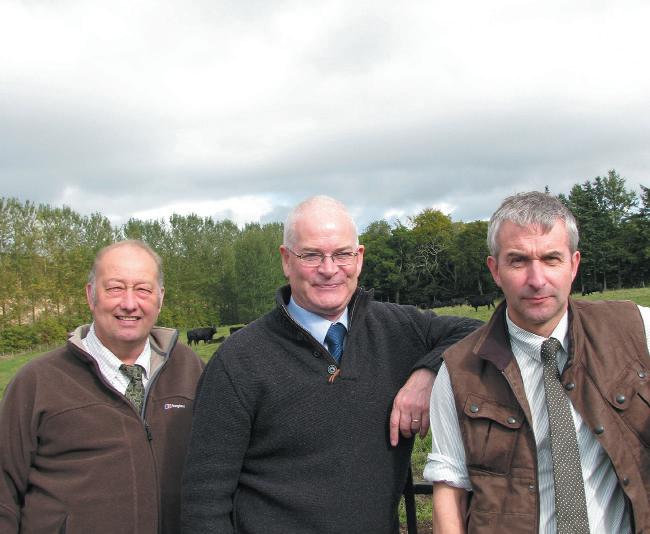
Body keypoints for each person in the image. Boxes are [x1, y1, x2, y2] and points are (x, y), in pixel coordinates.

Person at [181, 195, 482, 534]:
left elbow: (480, 332)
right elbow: (204, 500)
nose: (329, 269)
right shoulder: (237, 360)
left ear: (359, 257)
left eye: (342, 254)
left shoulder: (399, 329)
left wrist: (427, 372)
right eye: (311, 255)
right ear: (286, 260)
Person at [425, 192, 650, 533]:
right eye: (518, 261)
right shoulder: (458, 372)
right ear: (495, 270)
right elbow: (449, 491)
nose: (537, 279)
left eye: (551, 259)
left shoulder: (636, 329)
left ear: (573, 264)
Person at [0, 240, 204, 534]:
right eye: (115, 288)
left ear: (160, 298)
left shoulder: (192, 370)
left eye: (143, 289)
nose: (129, 303)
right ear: (90, 295)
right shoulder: (37, 382)